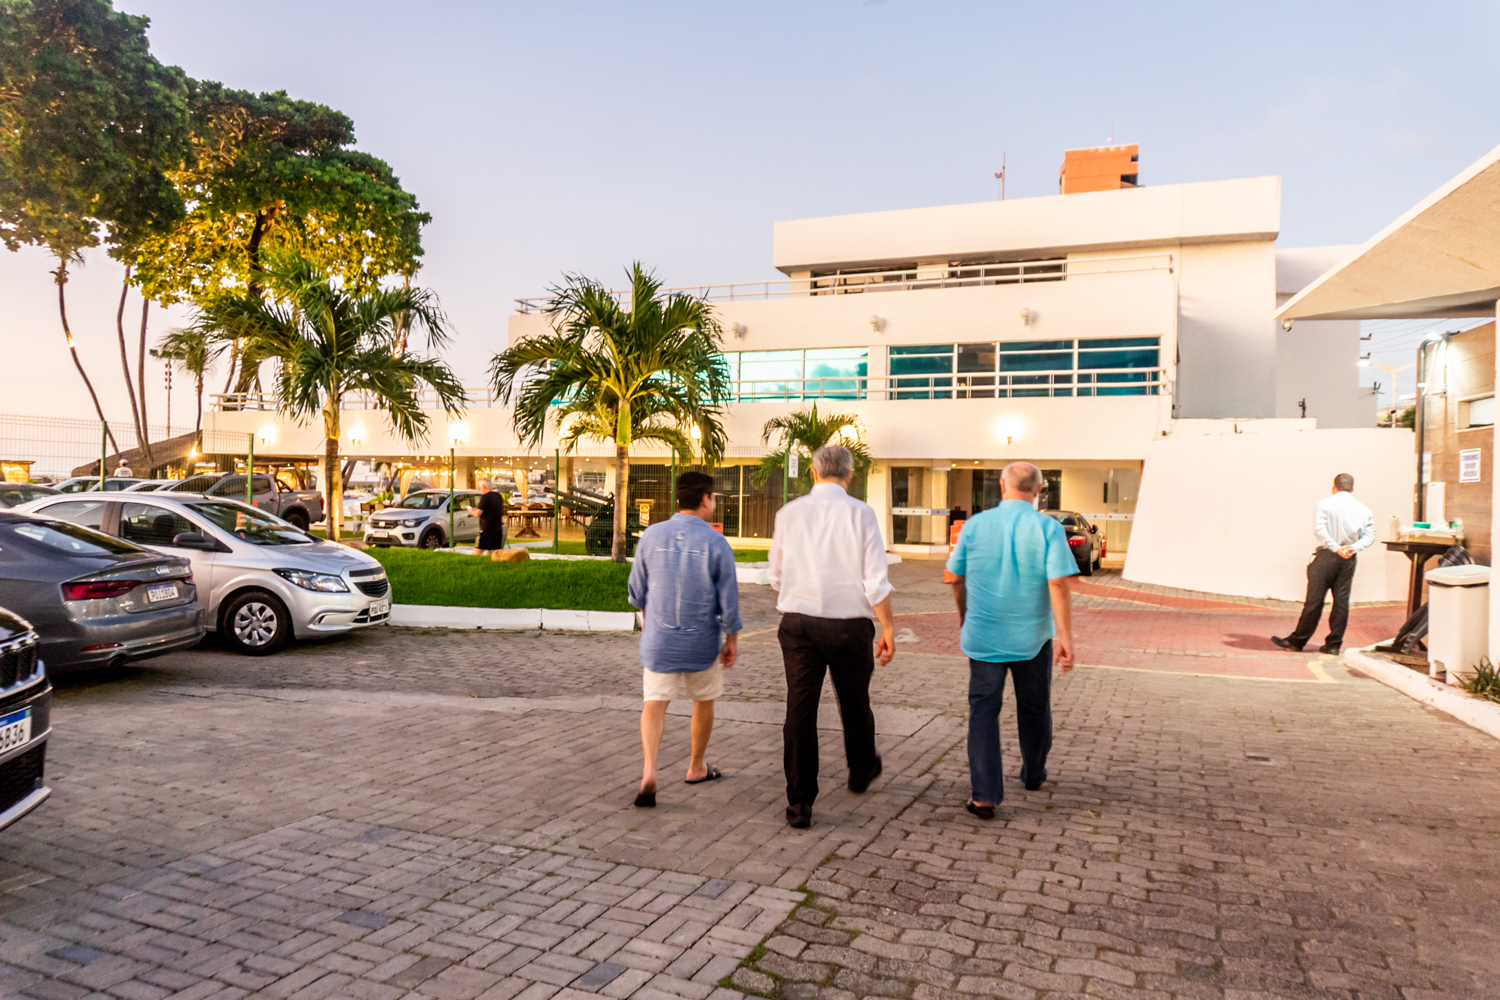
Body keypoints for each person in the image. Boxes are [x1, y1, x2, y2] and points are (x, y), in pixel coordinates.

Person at [768, 444, 895, 830]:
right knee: (854, 701)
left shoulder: (788, 513)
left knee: (800, 708)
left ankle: (799, 801)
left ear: (813, 472)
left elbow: (776, 575)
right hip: (848, 625)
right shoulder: (861, 513)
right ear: (850, 475)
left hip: (798, 623)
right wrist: (888, 627)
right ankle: (861, 769)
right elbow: (875, 579)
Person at [947, 461, 1077, 820]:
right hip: (1032, 639)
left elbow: (954, 578)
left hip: (984, 637)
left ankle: (985, 795)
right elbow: (1058, 583)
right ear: (1038, 490)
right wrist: (1065, 637)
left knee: (983, 712)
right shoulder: (1049, 528)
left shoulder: (975, 525)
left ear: (1002, 486)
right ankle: (1033, 772)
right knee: (1035, 708)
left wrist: (964, 614)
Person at [626, 471, 741, 808]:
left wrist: (648, 620)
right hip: (701, 643)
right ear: (706, 499)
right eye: (714, 497)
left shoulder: (651, 535)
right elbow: (729, 601)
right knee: (703, 700)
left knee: (654, 703)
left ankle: (650, 769)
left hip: (659, 642)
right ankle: (696, 766)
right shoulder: (716, 543)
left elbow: (637, 591)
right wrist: (731, 639)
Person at [1273, 473, 1375, 655]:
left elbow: (1319, 529)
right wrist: (1351, 548)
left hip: (1327, 555)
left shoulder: (1325, 504)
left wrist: (1336, 548)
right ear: (1352, 488)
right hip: (1348, 559)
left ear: (1334, 487)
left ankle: (1297, 641)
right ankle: (1333, 644)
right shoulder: (1364, 509)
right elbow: (1370, 536)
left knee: (1314, 601)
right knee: (1341, 602)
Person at [469, 478, 507, 554]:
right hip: (497, 528)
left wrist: (471, 510)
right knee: (493, 550)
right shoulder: (498, 496)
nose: (480, 490)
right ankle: (491, 561)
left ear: (483, 486)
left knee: (479, 548)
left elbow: (477, 513)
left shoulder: (485, 497)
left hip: (487, 528)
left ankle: (472, 560)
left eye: (480, 488)